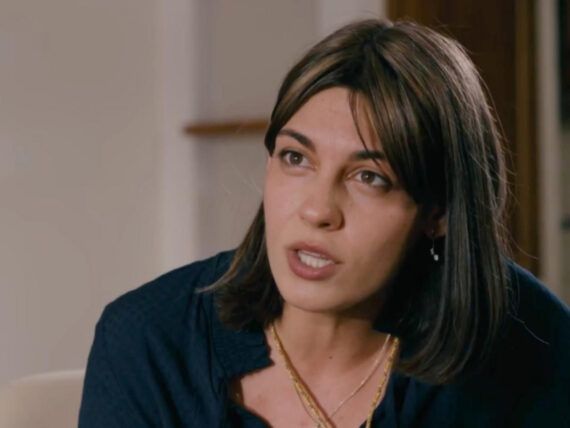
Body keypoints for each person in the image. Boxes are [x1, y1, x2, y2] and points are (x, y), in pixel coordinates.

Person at [78, 19, 569, 427]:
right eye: (296, 158)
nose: (317, 211)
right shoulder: (148, 342)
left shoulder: (529, 340)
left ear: (437, 213)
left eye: (369, 178)